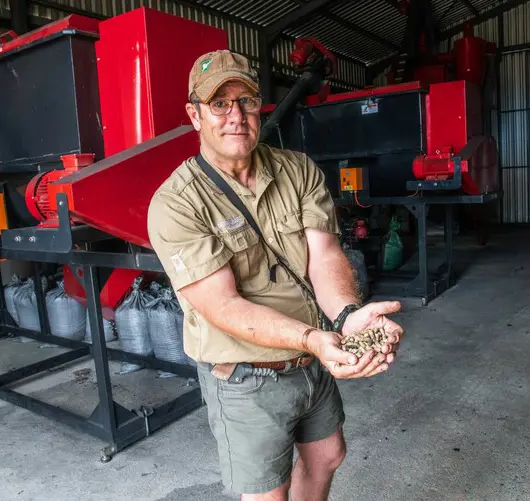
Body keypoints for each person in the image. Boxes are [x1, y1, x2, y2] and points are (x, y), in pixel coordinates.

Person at [147, 49, 404, 501]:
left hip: (312, 357)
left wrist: (346, 317)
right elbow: (221, 304)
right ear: (194, 115)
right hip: (246, 374)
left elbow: (323, 255)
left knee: (327, 456)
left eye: (245, 100)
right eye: (218, 104)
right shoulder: (176, 203)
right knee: (268, 493)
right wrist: (313, 338)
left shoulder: (296, 169)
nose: (235, 116)